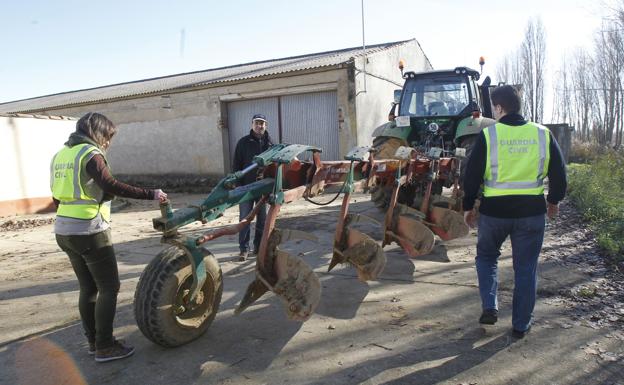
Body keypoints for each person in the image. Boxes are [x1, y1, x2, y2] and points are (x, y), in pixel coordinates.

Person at [51, 112, 167, 362]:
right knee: (109, 287)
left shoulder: (61, 155)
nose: (108, 143)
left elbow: (56, 196)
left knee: (88, 287)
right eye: (108, 137)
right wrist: (152, 194)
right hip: (89, 230)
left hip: (63, 229)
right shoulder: (89, 153)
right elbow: (111, 185)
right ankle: (105, 346)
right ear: (98, 133)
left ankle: (93, 342)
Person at [462, 85, 567, 339]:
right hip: (531, 214)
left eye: (494, 108)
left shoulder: (489, 135)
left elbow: (471, 175)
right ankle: (521, 325)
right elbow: (559, 174)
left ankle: (490, 305)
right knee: (526, 269)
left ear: (499, 108)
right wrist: (553, 201)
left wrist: (467, 206)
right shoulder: (543, 134)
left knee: (486, 258)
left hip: (494, 214)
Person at [232, 113, 274, 261]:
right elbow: (236, 165)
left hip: (263, 189)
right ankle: (244, 249)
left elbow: (274, 167)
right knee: (245, 219)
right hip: (246, 188)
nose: (259, 126)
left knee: (262, 220)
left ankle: (258, 247)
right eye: (257, 123)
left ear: (265, 126)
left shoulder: (270, 145)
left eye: (262, 123)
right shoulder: (243, 142)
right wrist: (238, 186)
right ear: (252, 125)